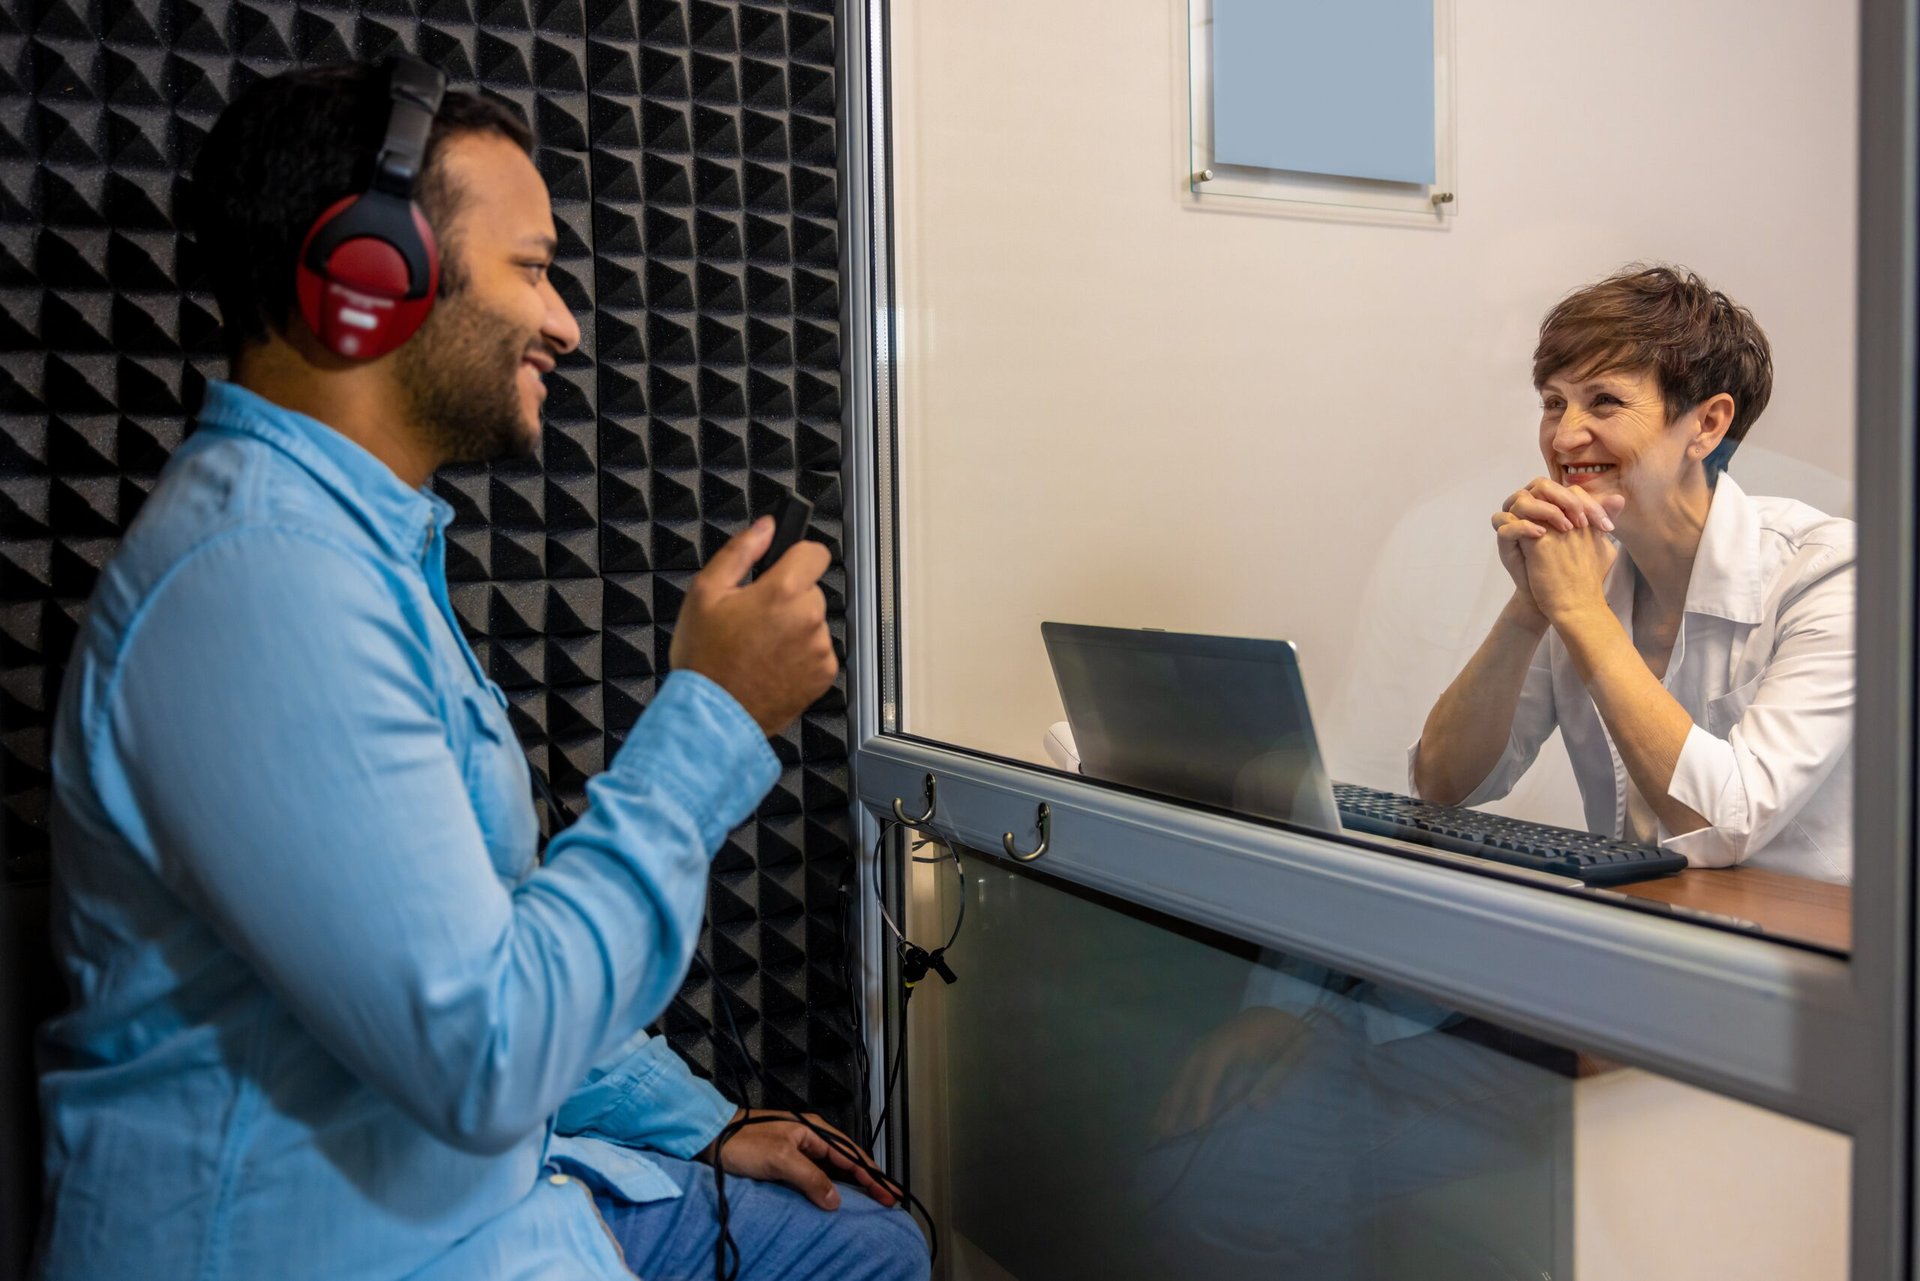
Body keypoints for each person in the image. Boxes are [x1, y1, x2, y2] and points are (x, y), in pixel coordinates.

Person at [32, 61, 927, 1281]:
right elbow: (489, 1047)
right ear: (368, 279)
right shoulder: (261, 587)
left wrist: (704, 1125)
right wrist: (713, 715)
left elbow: (485, 937)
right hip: (356, 1254)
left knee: (867, 1245)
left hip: (493, 1200)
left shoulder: (351, 551)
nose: (565, 323)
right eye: (534, 269)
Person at [1413, 266, 1854, 882]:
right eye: (1553, 403)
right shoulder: (1582, 572)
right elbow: (1442, 784)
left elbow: (1730, 823)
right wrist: (1530, 605)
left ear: (1707, 425)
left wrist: (1579, 612)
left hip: (1814, 954)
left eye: (1606, 402)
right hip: (1643, 933)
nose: (1565, 437)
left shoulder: (1829, 575)